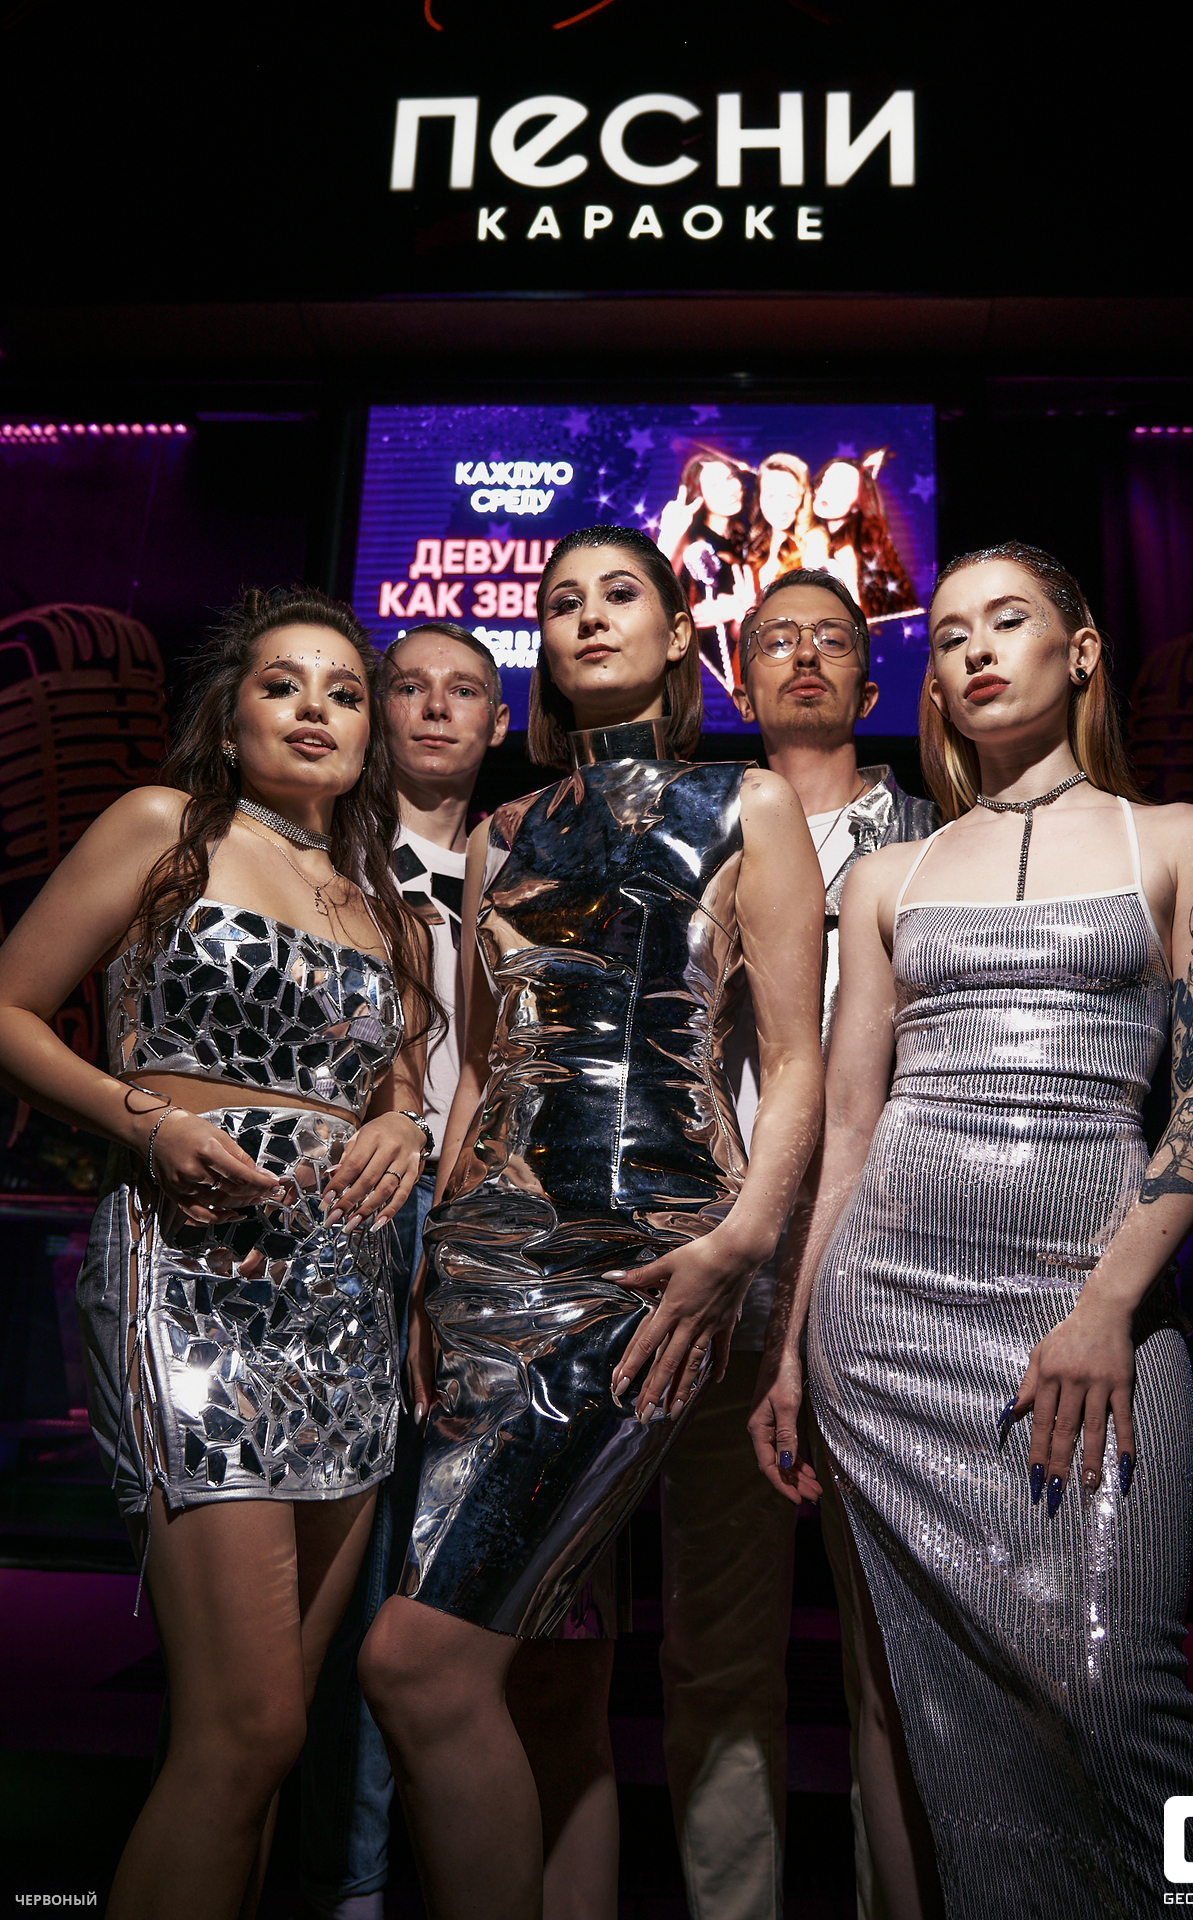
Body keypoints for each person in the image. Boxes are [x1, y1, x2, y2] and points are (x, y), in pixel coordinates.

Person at [752, 542, 1193, 1918]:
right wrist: (789, 1348)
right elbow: (850, 1129)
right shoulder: (888, 877)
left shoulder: (1181, 836)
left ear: (1077, 652)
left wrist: (1104, 1306)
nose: (974, 649)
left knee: (1122, 1691)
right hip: (883, 1328)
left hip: (1097, 1313)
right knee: (927, 1701)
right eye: (951, 631)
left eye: (1008, 620)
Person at [357, 525, 825, 1920]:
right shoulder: (500, 835)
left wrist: (740, 1243)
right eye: (563, 604)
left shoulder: (746, 805)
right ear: (544, 651)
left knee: (413, 1664)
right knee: (548, 1677)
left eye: (620, 595)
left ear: (680, 634)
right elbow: (483, 1074)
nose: (589, 618)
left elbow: (793, 1058)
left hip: (647, 1261)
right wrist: (434, 1272)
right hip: (486, 1268)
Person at [0, 586, 437, 1919]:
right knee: (240, 1731)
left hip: (346, 1310)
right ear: (230, 716)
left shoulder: (387, 910)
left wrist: (405, 1124)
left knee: (276, 1738)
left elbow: (400, 1089)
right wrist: (143, 1117)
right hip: (195, 1280)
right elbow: (9, 1007)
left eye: (344, 692)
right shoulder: (164, 828)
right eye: (280, 684)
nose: (314, 709)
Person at [656, 567, 936, 1920]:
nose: (806, 656)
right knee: (716, 1644)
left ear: (872, 680)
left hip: (892, 1266)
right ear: (737, 676)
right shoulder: (689, 831)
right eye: (777, 639)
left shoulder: (937, 838)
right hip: (727, 1262)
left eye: (833, 638)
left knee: (899, 1651)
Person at [299, 620, 509, 1920]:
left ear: (498, 721)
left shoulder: (519, 860)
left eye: (463, 689)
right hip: (339, 1213)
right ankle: (336, 1879)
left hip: (474, 1223)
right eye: (409, 687)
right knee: (336, 1572)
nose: (434, 708)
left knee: (430, 1585)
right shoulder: (321, 855)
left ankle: (390, 1879)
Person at [656, 450, 757, 692]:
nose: (728, 489)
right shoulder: (689, 543)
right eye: (714, 485)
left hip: (740, 668)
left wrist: (742, 610)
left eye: (730, 477)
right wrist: (670, 536)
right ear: (699, 496)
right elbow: (654, 595)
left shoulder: (749, 538)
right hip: (700, 673)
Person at [802, 454, 920, 623]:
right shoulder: (817, 537)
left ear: (857, 505)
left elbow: (856, 615)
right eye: (825, 481)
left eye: (841, 488)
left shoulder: (847, 551)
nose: (826, 491)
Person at [745, 452, 815, 593]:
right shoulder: (752, 544)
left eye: (790, 496)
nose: (780, 508)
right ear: (759, 497)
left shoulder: (812, 547)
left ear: (803, 498)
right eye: (771, 496)